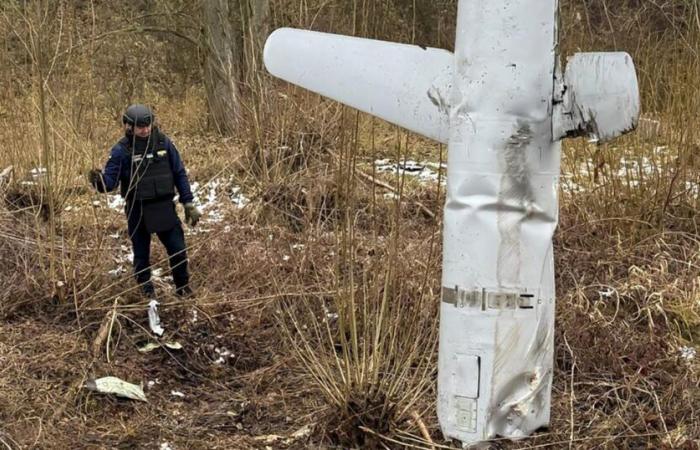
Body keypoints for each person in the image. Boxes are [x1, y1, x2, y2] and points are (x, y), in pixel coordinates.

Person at [89, 104, 201, 299]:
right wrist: (98, 180)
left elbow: (179, 173)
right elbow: (110, 183)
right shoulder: (121, 151)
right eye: (140, 126)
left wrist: (188, 202)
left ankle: (183, 288)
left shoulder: (164, 143)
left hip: (164, 207)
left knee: (178, 250)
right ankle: (146, 292)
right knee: (141, 255)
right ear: (129, 126)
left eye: (148, 124)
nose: (145, 129)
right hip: (137, 209)